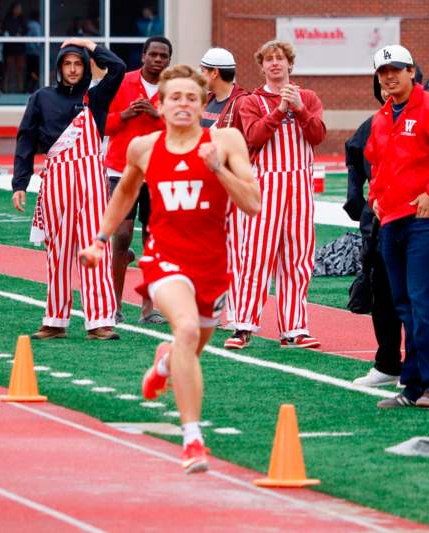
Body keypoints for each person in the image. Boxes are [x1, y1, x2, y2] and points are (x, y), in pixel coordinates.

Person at [80, 65, 260, 473]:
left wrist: (218, 170)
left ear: (203, 104)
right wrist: (100, 240)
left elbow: (253, 203)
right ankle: (192, 440)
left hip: (212, 264)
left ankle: (164, 364)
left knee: (190, 346)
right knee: (187, 330)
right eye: (175, 97)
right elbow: (124, 192)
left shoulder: (225, 141)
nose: (183, 104)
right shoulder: (143, 147)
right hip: (164, 259)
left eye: (191, 97)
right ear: (160, 105)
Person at [366, 45, 429, 409]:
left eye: (396, 69)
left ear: (411, 71)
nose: (389, 76)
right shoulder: (382, 117)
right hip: (392, 219)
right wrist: (375, 197)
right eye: (383, 72)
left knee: (423, 302)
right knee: (405, 305)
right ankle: (412, 386)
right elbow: (377, 163)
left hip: (426, 221)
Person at [12, 38, 125, 340]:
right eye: (67, 64)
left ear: (86, 67)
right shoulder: (41, 97)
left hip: (91, 180)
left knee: (95, 247)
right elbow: (26, 137)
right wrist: (20, 183)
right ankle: (55, 320)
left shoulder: (96, 96)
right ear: (59, 68)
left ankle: (100, 321)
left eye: (78, 64)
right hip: (56, 179)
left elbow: (118, 67)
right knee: (58, 252)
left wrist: (88, 45)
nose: (73, 69)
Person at [226, 40, 326, 350]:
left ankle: (294, 329)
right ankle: (243, 325)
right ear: (262, 67)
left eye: (280, 58)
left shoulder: (308, 97)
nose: (275, 63)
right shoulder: (251, 101)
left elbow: (318, 134)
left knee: (298, 258)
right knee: (256, 255)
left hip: (300, 185)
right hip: (265, 184)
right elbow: (254, 136)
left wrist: (299, 108)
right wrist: (281, 109)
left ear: (290, 64)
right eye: (268, 59)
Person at [104, 36, 172, 324]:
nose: (158, 59)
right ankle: (114, 305)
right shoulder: (122, 82)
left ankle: (148, 308)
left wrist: (157, 116)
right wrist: (125, 115)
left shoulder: (173, 88)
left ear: (169, 60)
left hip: (159, 171)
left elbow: (184, 129)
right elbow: (101, 123)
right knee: (121, 235)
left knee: (153, 240)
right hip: (123, 170)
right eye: (153, 54)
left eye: (163, 56)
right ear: (143, 56)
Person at [345, 78, 403, 386]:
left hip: (416, 222)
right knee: (382, 295)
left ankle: (421, 368)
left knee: (416, 298)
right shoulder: (372, 124)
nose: (388, 88)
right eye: (382, 82)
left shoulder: (428, 118)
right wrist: (358, 204)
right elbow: (355, 161)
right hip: (379, 222)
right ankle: (387, 363)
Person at [198, 47, 249, 330]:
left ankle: (237, 312)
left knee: (237, 252)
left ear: (214, 73)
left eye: (203, 70)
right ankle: (214, 309)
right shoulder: (207, 99)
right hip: (208, 185)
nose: (201, 75)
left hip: (230, 185)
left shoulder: (241, 102)